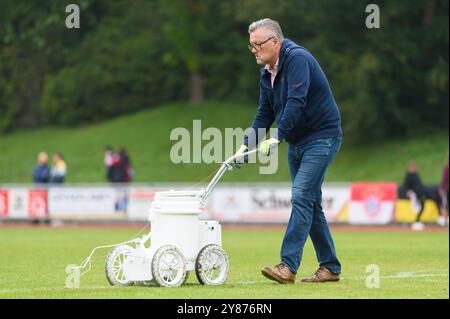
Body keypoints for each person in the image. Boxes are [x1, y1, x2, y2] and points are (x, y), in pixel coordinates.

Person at [234, 18, 343, 284]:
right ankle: (330, 267)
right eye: (251, 46)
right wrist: (245, 145)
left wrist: (278, 136)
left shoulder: (298, 59)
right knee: (311, 204)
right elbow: (264, 113)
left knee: (301, 197)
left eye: (258, 45)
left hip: (321, 137)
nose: (254, 51)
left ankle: (287, 266)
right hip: (297, 142)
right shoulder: (266, 73)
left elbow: (297, 100)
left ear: (275, 42)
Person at [438, 156, 449, 226]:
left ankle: (445, 221)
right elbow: (444, 179)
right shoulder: (446, 167)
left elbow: (444, 179)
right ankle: (445, 220)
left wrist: (442, 188)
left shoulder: (447, 168)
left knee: (445, 205)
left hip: (447, 189)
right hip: (447, 190)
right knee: (445, 205)